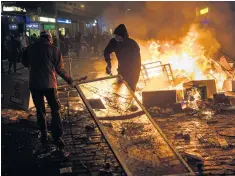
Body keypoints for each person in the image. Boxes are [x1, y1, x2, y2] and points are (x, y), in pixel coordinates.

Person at [22, 31, 76, 150]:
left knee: (40, 110)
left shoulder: (30, 48)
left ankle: (44, 133)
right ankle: (57, 136)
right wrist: (70, 81)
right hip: (50, 85)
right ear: (49, 39)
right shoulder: (54, 49)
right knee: (55, 110)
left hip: (34, 84)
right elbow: (60, 69)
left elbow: (24, 62)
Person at [104, 24, 141, 92]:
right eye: (115, 36)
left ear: (124, 36)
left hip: (133, 72)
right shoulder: (114, 42)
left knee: (130, 91)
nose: (117, 39)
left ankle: (131, 100)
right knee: (116, 88)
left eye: (118, 37)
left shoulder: (132, 45)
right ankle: (115, 100)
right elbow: (106, 52)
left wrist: (134, 75)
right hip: (121, 70)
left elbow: (137, 62)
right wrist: (108, 63)